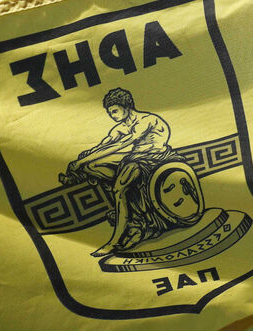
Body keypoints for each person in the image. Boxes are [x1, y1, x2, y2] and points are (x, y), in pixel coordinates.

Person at [64, 88, 187, 257]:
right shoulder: (119, 128)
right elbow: (104, 145)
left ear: (126, 106)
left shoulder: (146, 120)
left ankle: (116, 238)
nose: (112, 115)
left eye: (114, 111)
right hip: (133, 159)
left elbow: (120, 145)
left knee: (118, 187)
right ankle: (128, 211)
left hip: (155, 159)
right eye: (110, 113)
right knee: (91, 166)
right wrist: (84, 159)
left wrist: (80, 162)